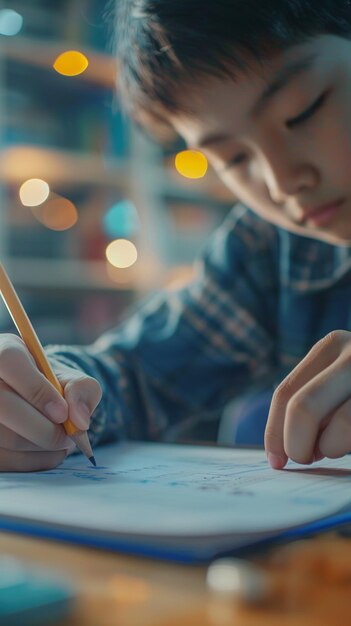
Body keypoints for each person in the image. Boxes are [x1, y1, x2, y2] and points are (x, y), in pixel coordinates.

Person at [1, 0, 351, 472]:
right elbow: (138, 376)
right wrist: (48, 389)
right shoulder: (272, 248)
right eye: (231, 158)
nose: (283, 182)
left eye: (302, 112)